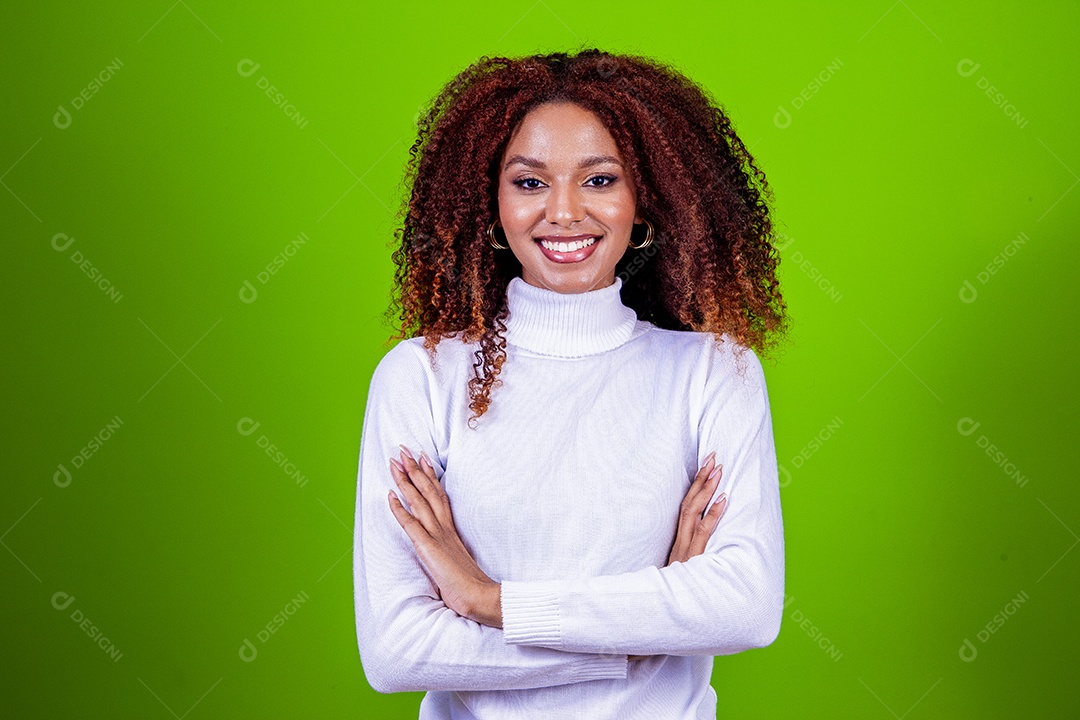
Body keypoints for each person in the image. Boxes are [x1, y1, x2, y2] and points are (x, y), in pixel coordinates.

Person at [353, 48, 788, 719]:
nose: (562, 212)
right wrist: (644, 636)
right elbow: (396, 651)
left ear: (645, 201)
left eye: (600, 180)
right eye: (529, 183)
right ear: (490, 202)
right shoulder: (420, 376)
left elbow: (748, 607)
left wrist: (489, 603)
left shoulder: (713, 372)